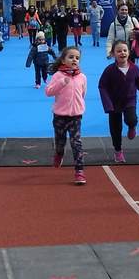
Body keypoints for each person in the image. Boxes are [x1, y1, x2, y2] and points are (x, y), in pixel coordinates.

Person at [99, 39, 139, 165]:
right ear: (113, 53)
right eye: (119, 51)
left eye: (125, 50)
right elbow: (102, 86)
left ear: (129, 52)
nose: (122, 53)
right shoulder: (109, 70)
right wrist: (107, 104)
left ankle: (132, 127)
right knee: (116, 128)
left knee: (131, 119)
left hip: (129, 100)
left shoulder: (134, 69)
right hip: (114, 103)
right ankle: (118, 151)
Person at [44, 45, 88, 185]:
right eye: (71, 57)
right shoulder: (58, 75)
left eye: (77, 58)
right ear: (63, 60)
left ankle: (79, 171)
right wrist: (62, 83)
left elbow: (83, 94)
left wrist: (79, 106)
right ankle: (59, 154)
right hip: (60, 116)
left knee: (76, 143)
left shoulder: (82, 77)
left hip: (75, 116)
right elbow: (49, 92)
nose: (74, 60)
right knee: (60, 142)